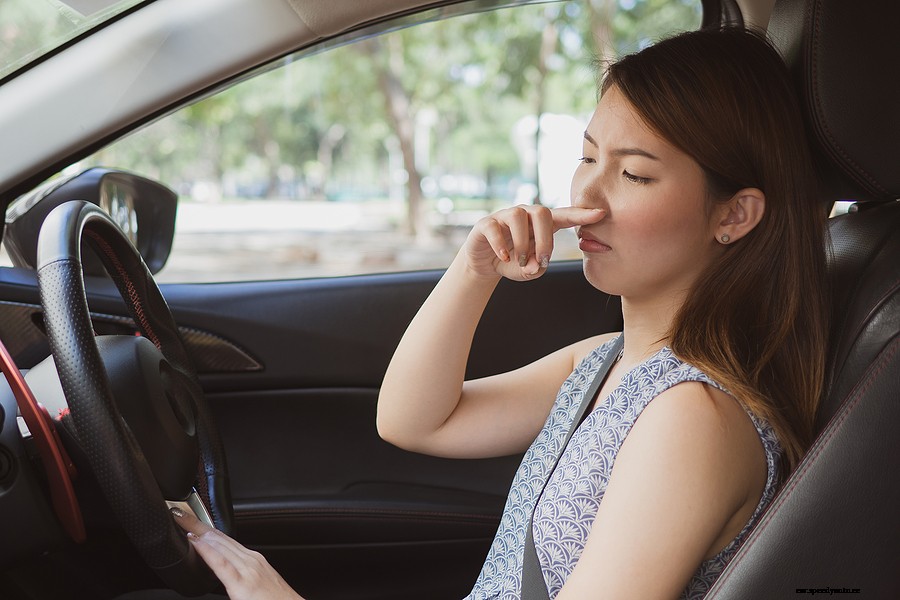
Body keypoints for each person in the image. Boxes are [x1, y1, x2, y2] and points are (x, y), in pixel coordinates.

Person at [173, 26, 828, 600]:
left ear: (733, 214)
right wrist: (475, 269)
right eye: (588, 157)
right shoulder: (601, 362)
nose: (587, 197)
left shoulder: (694, 419)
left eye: (634, 175)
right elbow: (413, 421)